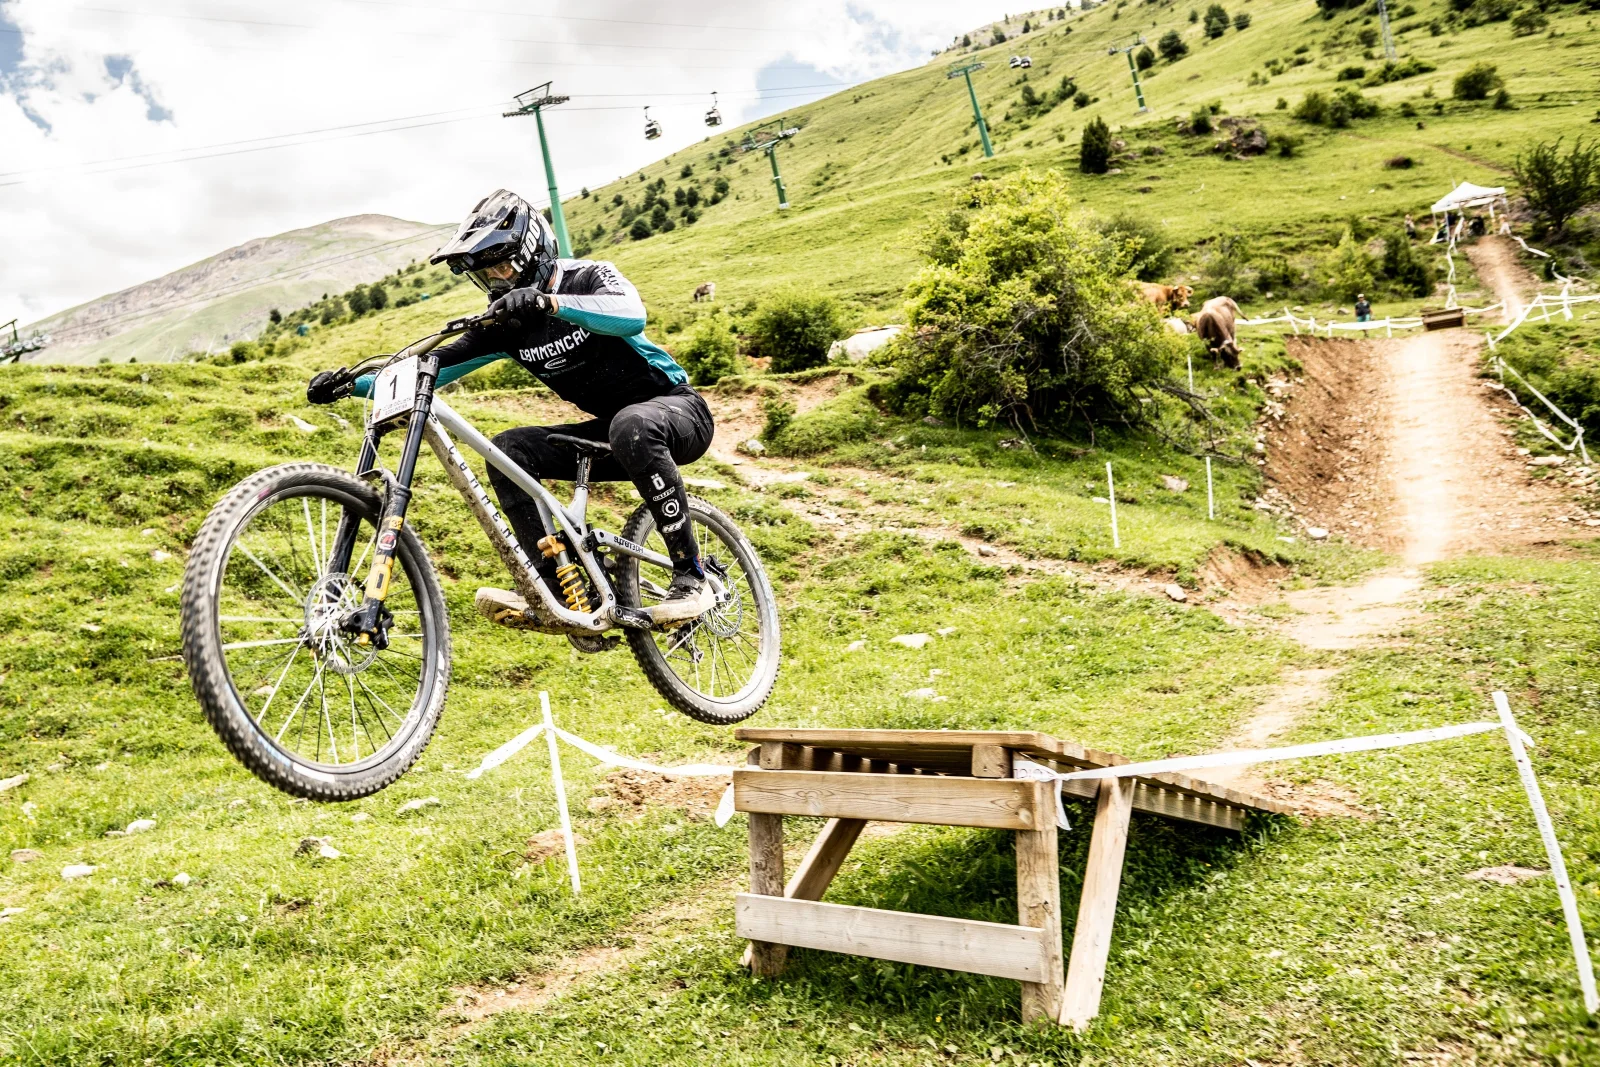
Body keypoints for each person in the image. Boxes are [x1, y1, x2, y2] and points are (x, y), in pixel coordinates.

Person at [307, 189, 715, 624]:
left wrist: (552, 303)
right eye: (486, 277)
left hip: (676, 412)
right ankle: (558, 591)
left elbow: (631, 314)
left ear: (534, 252)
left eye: (503, 268)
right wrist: (352, 384)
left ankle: (691, 576)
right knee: (505, 453)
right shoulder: (506, 326)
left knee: (632, 424)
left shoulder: (587, 276)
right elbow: (427, 371)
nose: (498, 283)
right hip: (608, 431)